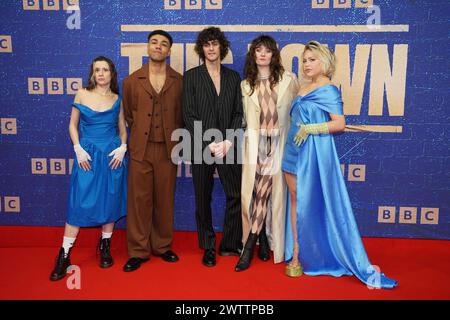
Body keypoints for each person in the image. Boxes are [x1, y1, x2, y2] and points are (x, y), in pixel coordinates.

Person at [281, 41, 397, 288]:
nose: (306, 64)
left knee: (309, 202)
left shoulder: (329, 90)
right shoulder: (302, 86)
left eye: (312, 59)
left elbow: (339, 124)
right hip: (292, 150)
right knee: (293, 198)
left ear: (325, 62)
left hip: (312, 153)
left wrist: (312, 128)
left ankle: (317, 252)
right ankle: (296, 253)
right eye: (304, 60)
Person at [50, 56, 128, 281]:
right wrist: (77, 148)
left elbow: (122, 129)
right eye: (97, 70)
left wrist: (123, 146)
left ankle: (105, 246)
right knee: (79, 203)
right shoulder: (82, 94)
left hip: (112, 157)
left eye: (105, 70)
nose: (101, 73)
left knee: (110, 200)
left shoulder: (117, 98)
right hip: (88, 157)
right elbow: (72, 125)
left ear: (112, 74)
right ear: (92, 74)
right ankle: (64, 255)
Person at [235, 35, 299, 272]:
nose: (262, 54)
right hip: (256, 146)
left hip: (279, 145)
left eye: (267, 50)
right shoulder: (246, 85)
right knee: (256, 194)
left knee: (264, 195)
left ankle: (249, 246)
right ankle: (260, 240)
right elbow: (241, 118)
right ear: (253, 55)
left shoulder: (288, 80)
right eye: (258, 51)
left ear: (274, 54)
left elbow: (299, 110)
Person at [122, 30, 183, 272]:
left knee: (165, 199)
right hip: (140, 150)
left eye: (164, 44)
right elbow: (128, 115)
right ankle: (138, 251)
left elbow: (182, 115)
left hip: (169, 149)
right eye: (154, 42)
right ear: (147, 48)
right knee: (139, 201)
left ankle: (163, 246)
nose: (158, 46)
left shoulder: (179, 81)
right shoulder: (131, 81)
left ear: (169, 51)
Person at [182, 27, 243, 267]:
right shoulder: (191, 76)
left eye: (214, 44)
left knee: (235, 195)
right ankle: (208, 246)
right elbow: (188, 114)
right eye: (206, 44)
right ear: (201, 48)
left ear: (221, 47)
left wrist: (228, 141)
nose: (210, 48)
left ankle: (229, 244)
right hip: (202, 146)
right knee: (202, 197)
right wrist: (209, 143)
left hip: (229, 146)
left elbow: (239, 113)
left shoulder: (233, 77)